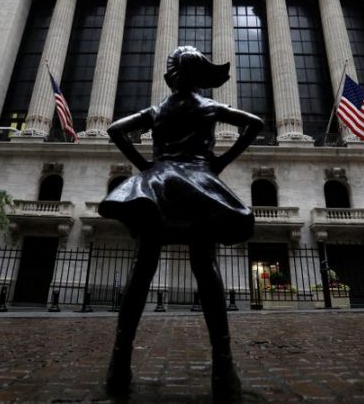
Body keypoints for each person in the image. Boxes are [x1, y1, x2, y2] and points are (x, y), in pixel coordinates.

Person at [99, 46, 264, 402]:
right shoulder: (209, 107)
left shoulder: (157, 109)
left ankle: (119, 361)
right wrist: (219, 163)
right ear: (200, 77)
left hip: (157, 185)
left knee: (142, 268)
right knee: (205, 266)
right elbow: (255, 125)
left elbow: (114, 130)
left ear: (171, 76)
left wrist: (145, 166)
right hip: (198, 186)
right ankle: (223, 365)